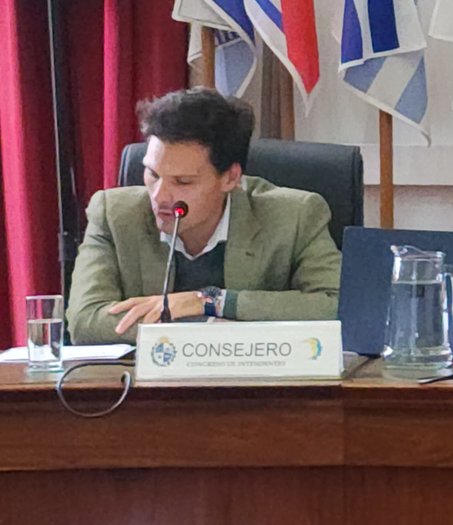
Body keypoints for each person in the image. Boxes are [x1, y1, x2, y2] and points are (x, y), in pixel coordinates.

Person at [68, 89, 341, 345]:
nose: (160, 196)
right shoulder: (114, 214)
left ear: (230, 178)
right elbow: (85, 321)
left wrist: (211, 301)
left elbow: (336, 305)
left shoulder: (295, 216)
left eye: (183, 181)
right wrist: (206, 325)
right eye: (153, 174)